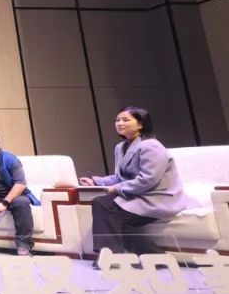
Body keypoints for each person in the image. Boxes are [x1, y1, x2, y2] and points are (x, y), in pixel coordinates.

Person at [80, 106, 188, 259]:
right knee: (103, 206)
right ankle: (154, 256)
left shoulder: (151, 146)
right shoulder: (120, 147)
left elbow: (148, 179)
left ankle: (112, 257)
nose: (120, 123)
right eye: (117, 120)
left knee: (104, 206)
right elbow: (120, 177)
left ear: (141, 124)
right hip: (138, 195)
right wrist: (96, 181)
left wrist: (116, 189)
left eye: (125, 120)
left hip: (157, 197)